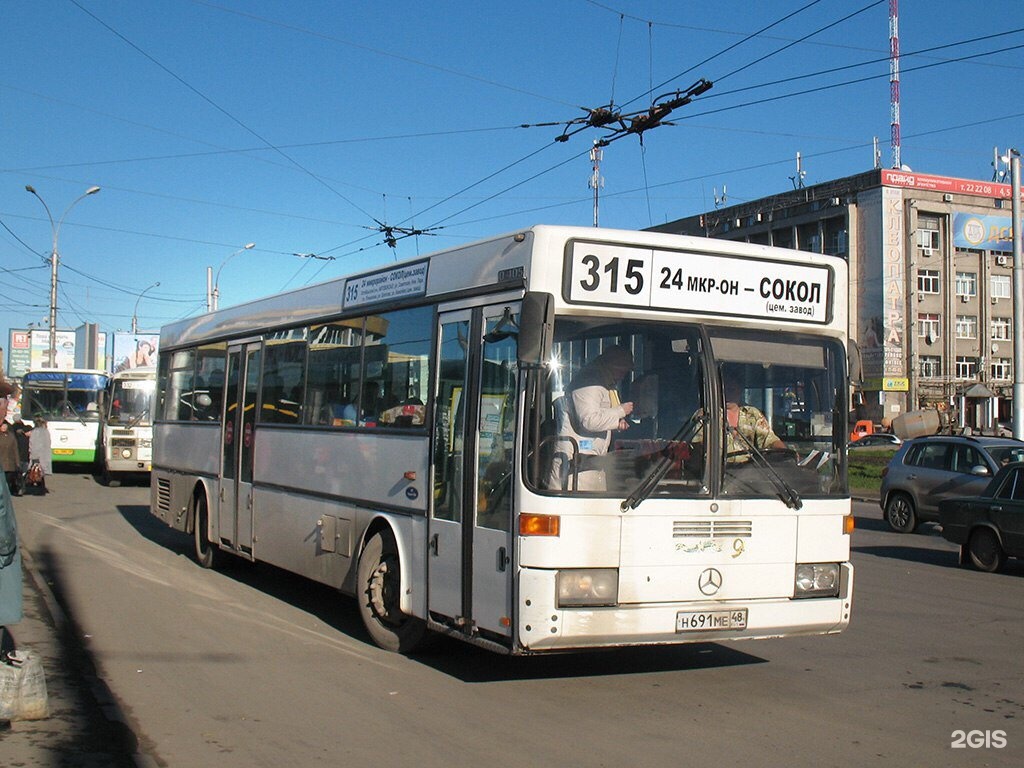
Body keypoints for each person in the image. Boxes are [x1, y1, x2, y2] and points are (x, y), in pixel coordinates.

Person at [548, 346, 635, 491]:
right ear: (613, 364)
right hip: (576, 464)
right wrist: (620, 411)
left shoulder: (603, 383)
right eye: (623, 369)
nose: (623, 375)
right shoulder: (590, 381)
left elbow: (597, 414)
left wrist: (616, 423)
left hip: (589, 463)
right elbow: (589, 420)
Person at [722, 377, 786, 461]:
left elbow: (769, 440)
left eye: (731, 389)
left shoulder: (752, 414)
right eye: (724, 389)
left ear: (740, 390)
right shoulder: (708, 415)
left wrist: (784, 452)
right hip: (717, 471)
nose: (728, 393)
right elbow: (700, 446)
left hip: (750, 471)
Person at [27, 417, 52, 495]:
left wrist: (33, 456)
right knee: (40, 472)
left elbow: (33, 445)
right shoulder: (46, 431)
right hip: (45, 455)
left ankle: (39, 490)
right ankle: (41, 489)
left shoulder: (36, 432)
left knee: (36, 472)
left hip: (38, 455)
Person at [0, 423, 19, 497]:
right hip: (1, 461)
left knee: (9, 479)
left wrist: (17, 462)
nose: (4, 428)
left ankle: (7, 492)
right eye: (2, 427)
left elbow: (15, 449)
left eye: (5, 427)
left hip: (10, 462)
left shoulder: (11, 436)